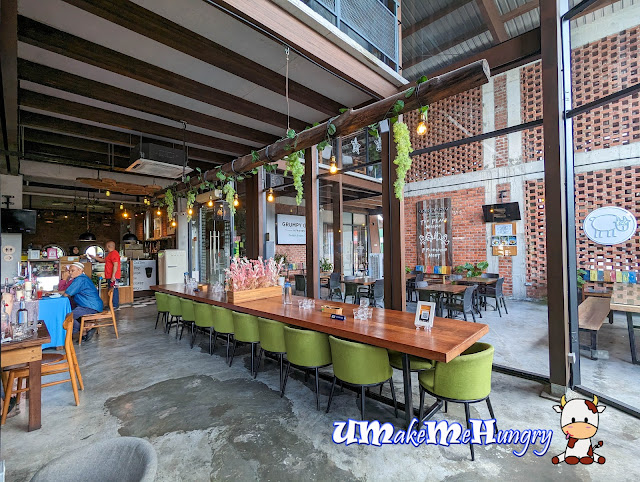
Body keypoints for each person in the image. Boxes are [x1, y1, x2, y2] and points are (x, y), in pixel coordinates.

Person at [63, 262, 103, 342]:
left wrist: (64, 280)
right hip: (92, 305)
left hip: (89, 306)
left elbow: (66, 294)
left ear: (80, 270)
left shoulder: (80, 279)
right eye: (69, 271)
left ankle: (82, 330)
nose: (70, 273)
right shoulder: (83, 278)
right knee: (72, 312)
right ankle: (85, 330)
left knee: (68, 316)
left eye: (72, 270)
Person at [89, 241, 121, 308]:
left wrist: (113, 276)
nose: (105, 247)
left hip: (113, 276)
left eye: (106, 246)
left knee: (113, 290)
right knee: (111, 290)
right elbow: (104, 260)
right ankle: (111, 305)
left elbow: (115, 265)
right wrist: (94, 257)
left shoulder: (114, 253)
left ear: (108, 246)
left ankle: (114, 305)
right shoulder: (110, 254)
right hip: (110, 276)